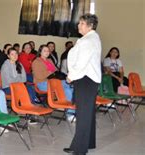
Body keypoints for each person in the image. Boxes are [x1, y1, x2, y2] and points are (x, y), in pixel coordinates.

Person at [63, 13, 102, 155]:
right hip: (89, 79)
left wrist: (70, 76)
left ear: (90, 25)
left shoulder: (87, 41)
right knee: (88, 113)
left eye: (82, 23)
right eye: (79, 23)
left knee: (83, 114)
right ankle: (88, 143)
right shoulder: (92, 38)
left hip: (85, 79)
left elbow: (81, 62)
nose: (78, 25)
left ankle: (80, 149)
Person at [32, 45, 75, 119]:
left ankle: (70, 112)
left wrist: (52, 72)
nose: (47, 52)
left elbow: (56, 71)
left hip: (53, 82)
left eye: (48, 51)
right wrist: (50, 71)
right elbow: (40, 76)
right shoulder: (36, 61)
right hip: (42, 84)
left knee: (70, 88)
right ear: (40, 52)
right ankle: (69, 112)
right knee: (67, 85)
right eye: (44, 51)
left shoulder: (49, 60)